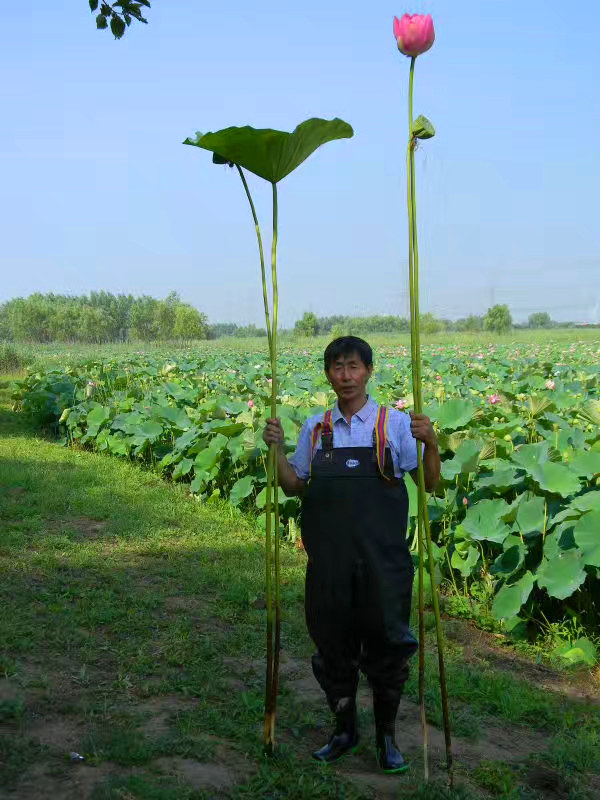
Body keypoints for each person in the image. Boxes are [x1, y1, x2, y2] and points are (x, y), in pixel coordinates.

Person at [263, 336, 440, 773]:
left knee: (388, 649)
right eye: (337, 367)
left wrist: (432, 443)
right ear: (328, 373)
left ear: (368, 371)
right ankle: (344, 731)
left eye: (354, 367)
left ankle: (387, 740)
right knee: (333, 647)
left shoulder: (395, 425)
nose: (345, 376)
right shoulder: (315, 428)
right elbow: (294, 485)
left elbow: (430, 485)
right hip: (330, 562)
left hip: (385, 563)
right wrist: (277, 449)